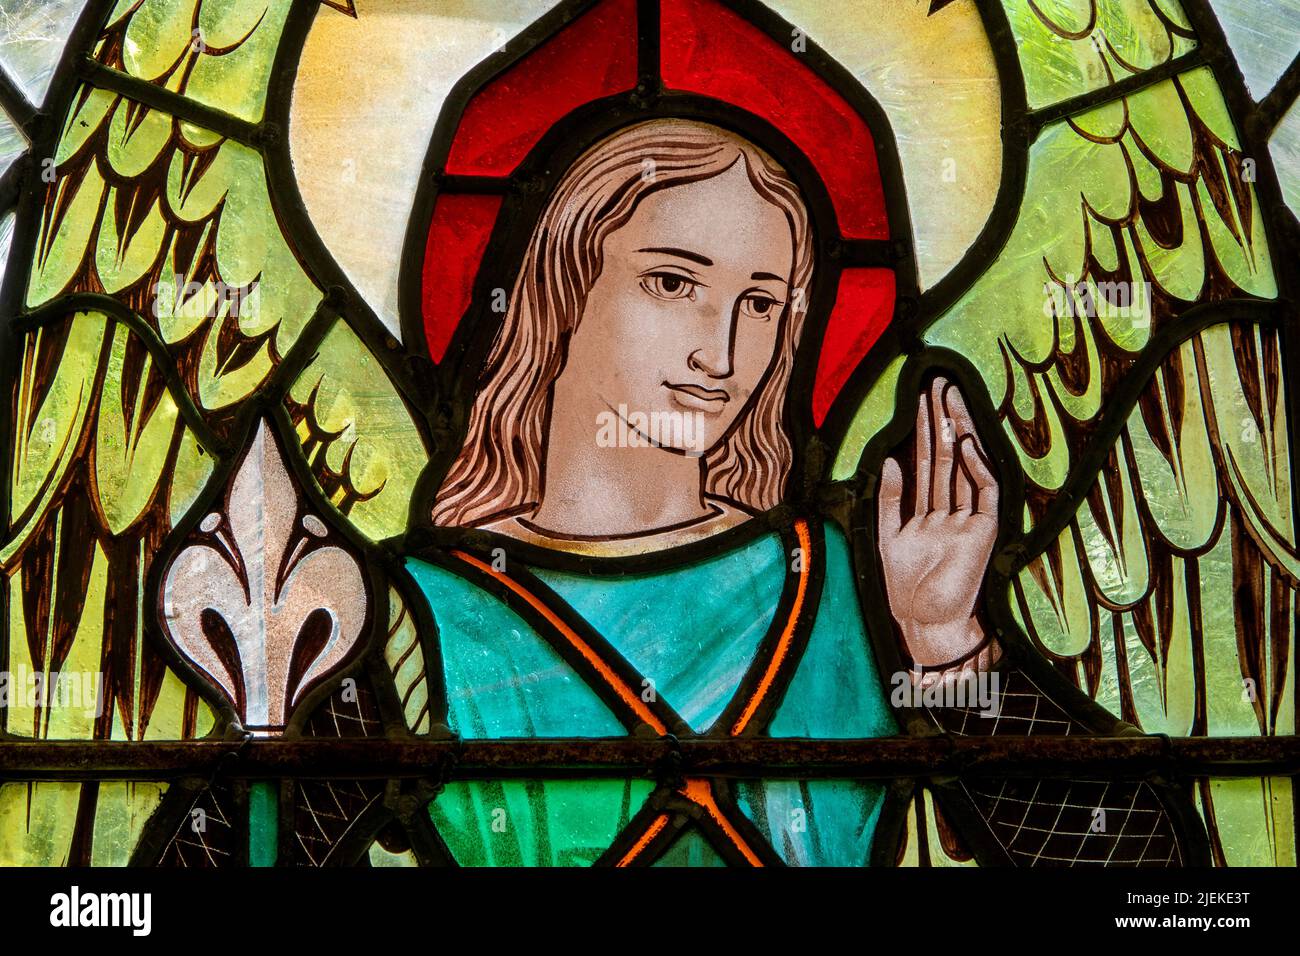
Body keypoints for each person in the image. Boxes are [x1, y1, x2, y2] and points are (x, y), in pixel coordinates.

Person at [410, 118, 1191, 866]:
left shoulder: (848, 581)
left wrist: (948, 646)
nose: (719, 355)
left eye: (759, 304)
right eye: (673, 282)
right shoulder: (420, 610)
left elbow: (1156, 890)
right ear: (562, 288)